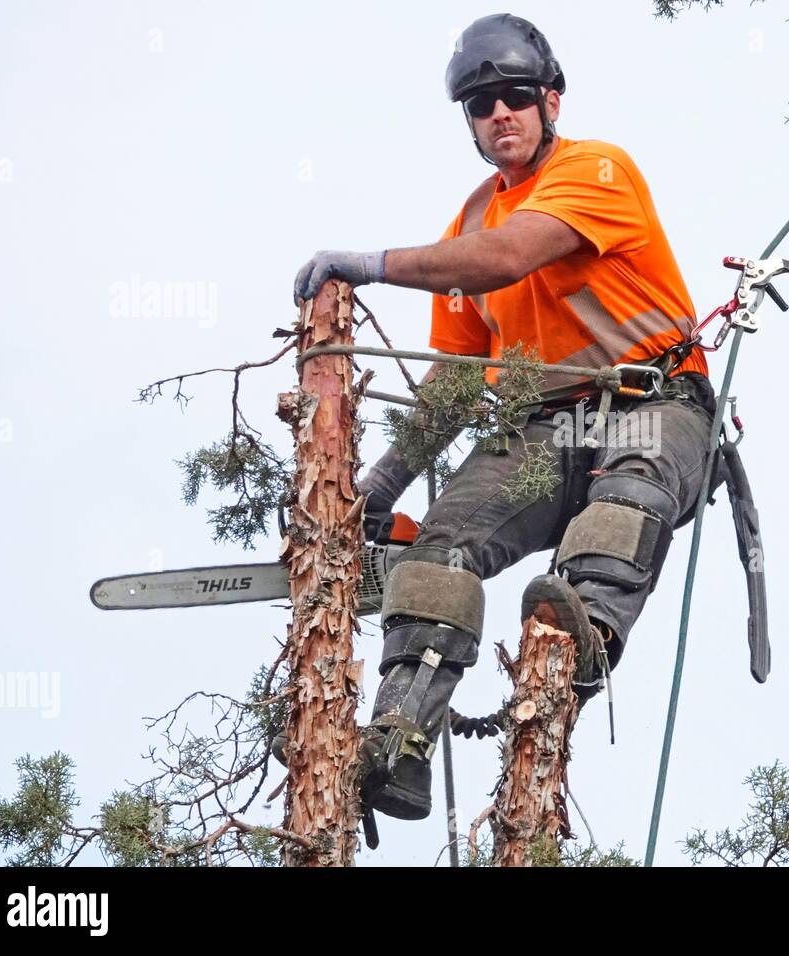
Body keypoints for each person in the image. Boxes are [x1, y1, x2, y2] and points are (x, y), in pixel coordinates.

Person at [291, 13, 716, 822]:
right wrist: (378, 489)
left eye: (516, 96)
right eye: (482, 105)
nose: (500, 116)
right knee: (441, 550)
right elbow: (454, 386)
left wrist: (373, 266)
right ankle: (399, 742)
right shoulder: (470, 218)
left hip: (649, 402)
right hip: (541, 427)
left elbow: (511, 256)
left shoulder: (596, 169)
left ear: (550, 99)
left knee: (616, 516)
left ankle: (573, 653)